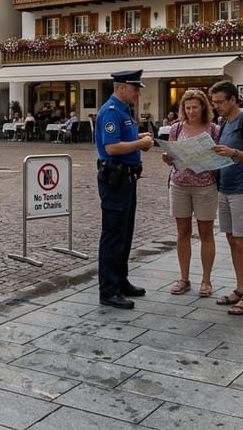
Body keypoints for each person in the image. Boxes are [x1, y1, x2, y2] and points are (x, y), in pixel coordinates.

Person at [94, 69, 153, 310]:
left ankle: (120, 280)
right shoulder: (110, 111)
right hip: (115, 178)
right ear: (121, 88)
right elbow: (112, 147)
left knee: (125, 233)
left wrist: (138, 137)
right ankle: (108, 289)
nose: (138, 93)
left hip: (127, 179)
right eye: (134, 88)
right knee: (113, 235)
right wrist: (140, 143)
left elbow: (122, 140)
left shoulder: (123, 111)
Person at [208, 79, 243, 316]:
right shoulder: (224, 123)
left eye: (220, 102)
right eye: (214, 103)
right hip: (226, 188)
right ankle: (240, 289)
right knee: (232, 240)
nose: (216, 106)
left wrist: (233, 152)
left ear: (233, 100)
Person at [162, 89, 218, 299]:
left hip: (205, 185)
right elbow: (170, 154)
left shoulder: (213, 129)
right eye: (188, 107)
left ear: (203, 107)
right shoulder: (176, 128)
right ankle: (184, 278)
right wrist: (167, 158)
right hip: (180, 185)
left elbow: (219, 154)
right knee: (182, 232)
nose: (191, 111)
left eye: (195, 107)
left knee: (206, 233)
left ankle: (206, 279)